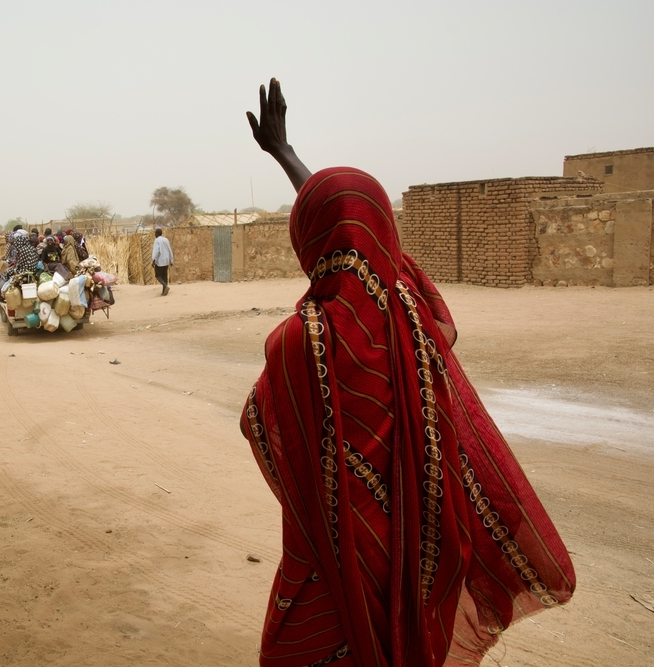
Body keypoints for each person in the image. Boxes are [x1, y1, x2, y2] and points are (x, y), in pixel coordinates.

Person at [241, 79, 574, 667]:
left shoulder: (298, 341)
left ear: (305, 237)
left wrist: (284, 155)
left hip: (326, 579)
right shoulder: (416, 321)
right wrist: (290, 157)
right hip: (420, 573)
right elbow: (353, 223)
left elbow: (262, 425)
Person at [151, 228, 173, 296]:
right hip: (166, 261)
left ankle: (165, 286)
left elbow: (157, 251)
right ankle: (164, 291)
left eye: (155, 233)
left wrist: (154, 260)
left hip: (160, 261)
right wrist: (171, 260)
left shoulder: (157, 240)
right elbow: (170, 250)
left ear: (157, 234)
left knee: (158, 275)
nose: (154, 234)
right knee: (164, 276)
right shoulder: (166, 240)